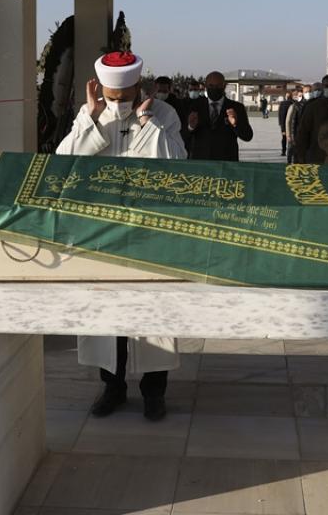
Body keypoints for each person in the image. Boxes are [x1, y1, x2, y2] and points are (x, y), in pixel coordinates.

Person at [55, 51, 186, 422]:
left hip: (150, 231)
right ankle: (112, 387)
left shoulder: (164, 114)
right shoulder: (91, 113)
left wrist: (146, 122)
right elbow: (64, 162)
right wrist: (93, 118)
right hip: (102, 232)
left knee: (153, 314)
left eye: (125, 97)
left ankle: (154, 392)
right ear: (100, 90)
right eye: (112, 97)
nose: (119, 104)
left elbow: (177, 165)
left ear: (138, 87)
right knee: (105, 314)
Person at [185, 71, 253, 161]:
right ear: (205, 86)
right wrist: (191, 127)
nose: (214, 89)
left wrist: (236, 124)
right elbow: (183, 135)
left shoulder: (236, 107)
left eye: (218, 86)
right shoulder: (195, 106)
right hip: (200, 161)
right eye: (211, 86)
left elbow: (248, 136)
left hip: (226, 162)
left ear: (224, 86)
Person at [292, 75, 328, 164]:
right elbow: (303, 132)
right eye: (327, 86)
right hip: (316, 155)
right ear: (323, 87)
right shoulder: (313, 106)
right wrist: (299, 156)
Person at [285, 85, 312, 163]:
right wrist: (289, 135)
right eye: (306, 92)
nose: (308, 94)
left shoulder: (314, 105)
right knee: (297, 155)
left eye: (310, 92)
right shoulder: (296, 106)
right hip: (298, 135)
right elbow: (290, 121)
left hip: (309, 138)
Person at [277, 91, 295, 158]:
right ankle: (289, 152)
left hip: (286, 124)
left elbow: (280, 115)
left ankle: (284, 151)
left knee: (285, 138)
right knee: (290, 139)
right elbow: (281, 115)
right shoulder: (293, 103)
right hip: (291, 124)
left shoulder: (284, 103)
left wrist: (281, 125)